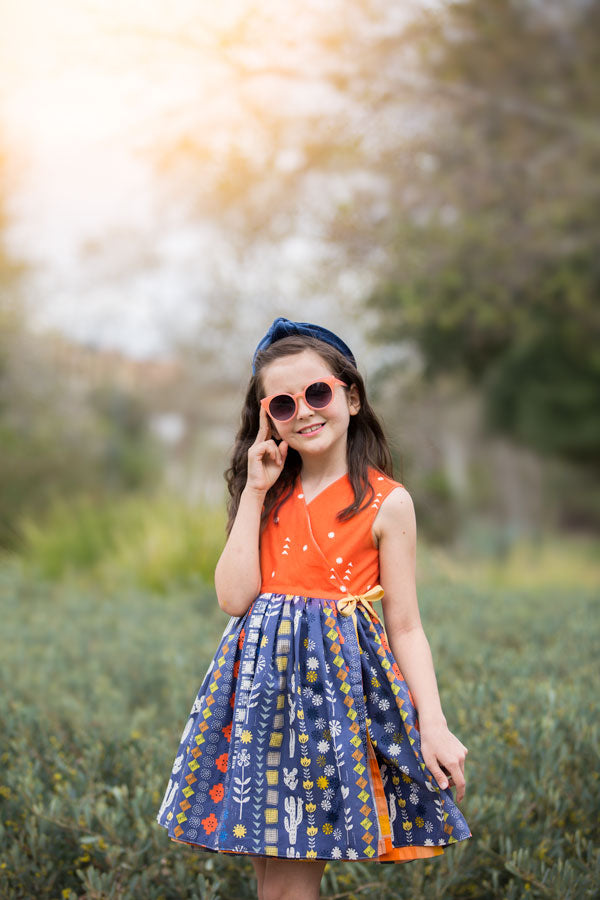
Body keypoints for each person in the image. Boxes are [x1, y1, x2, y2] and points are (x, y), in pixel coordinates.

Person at [156, 317, 471, 900]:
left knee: (289, 888)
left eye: (318, 393)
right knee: (269, 883)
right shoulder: (268, 494)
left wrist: (434, 722)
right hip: (254, 705)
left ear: (350, 396)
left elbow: (405, 626)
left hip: (326, 713)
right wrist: (252, 491)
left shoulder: (386, 502)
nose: (303, 411)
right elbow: (233, 598)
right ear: (266, 420)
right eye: (282, 403)